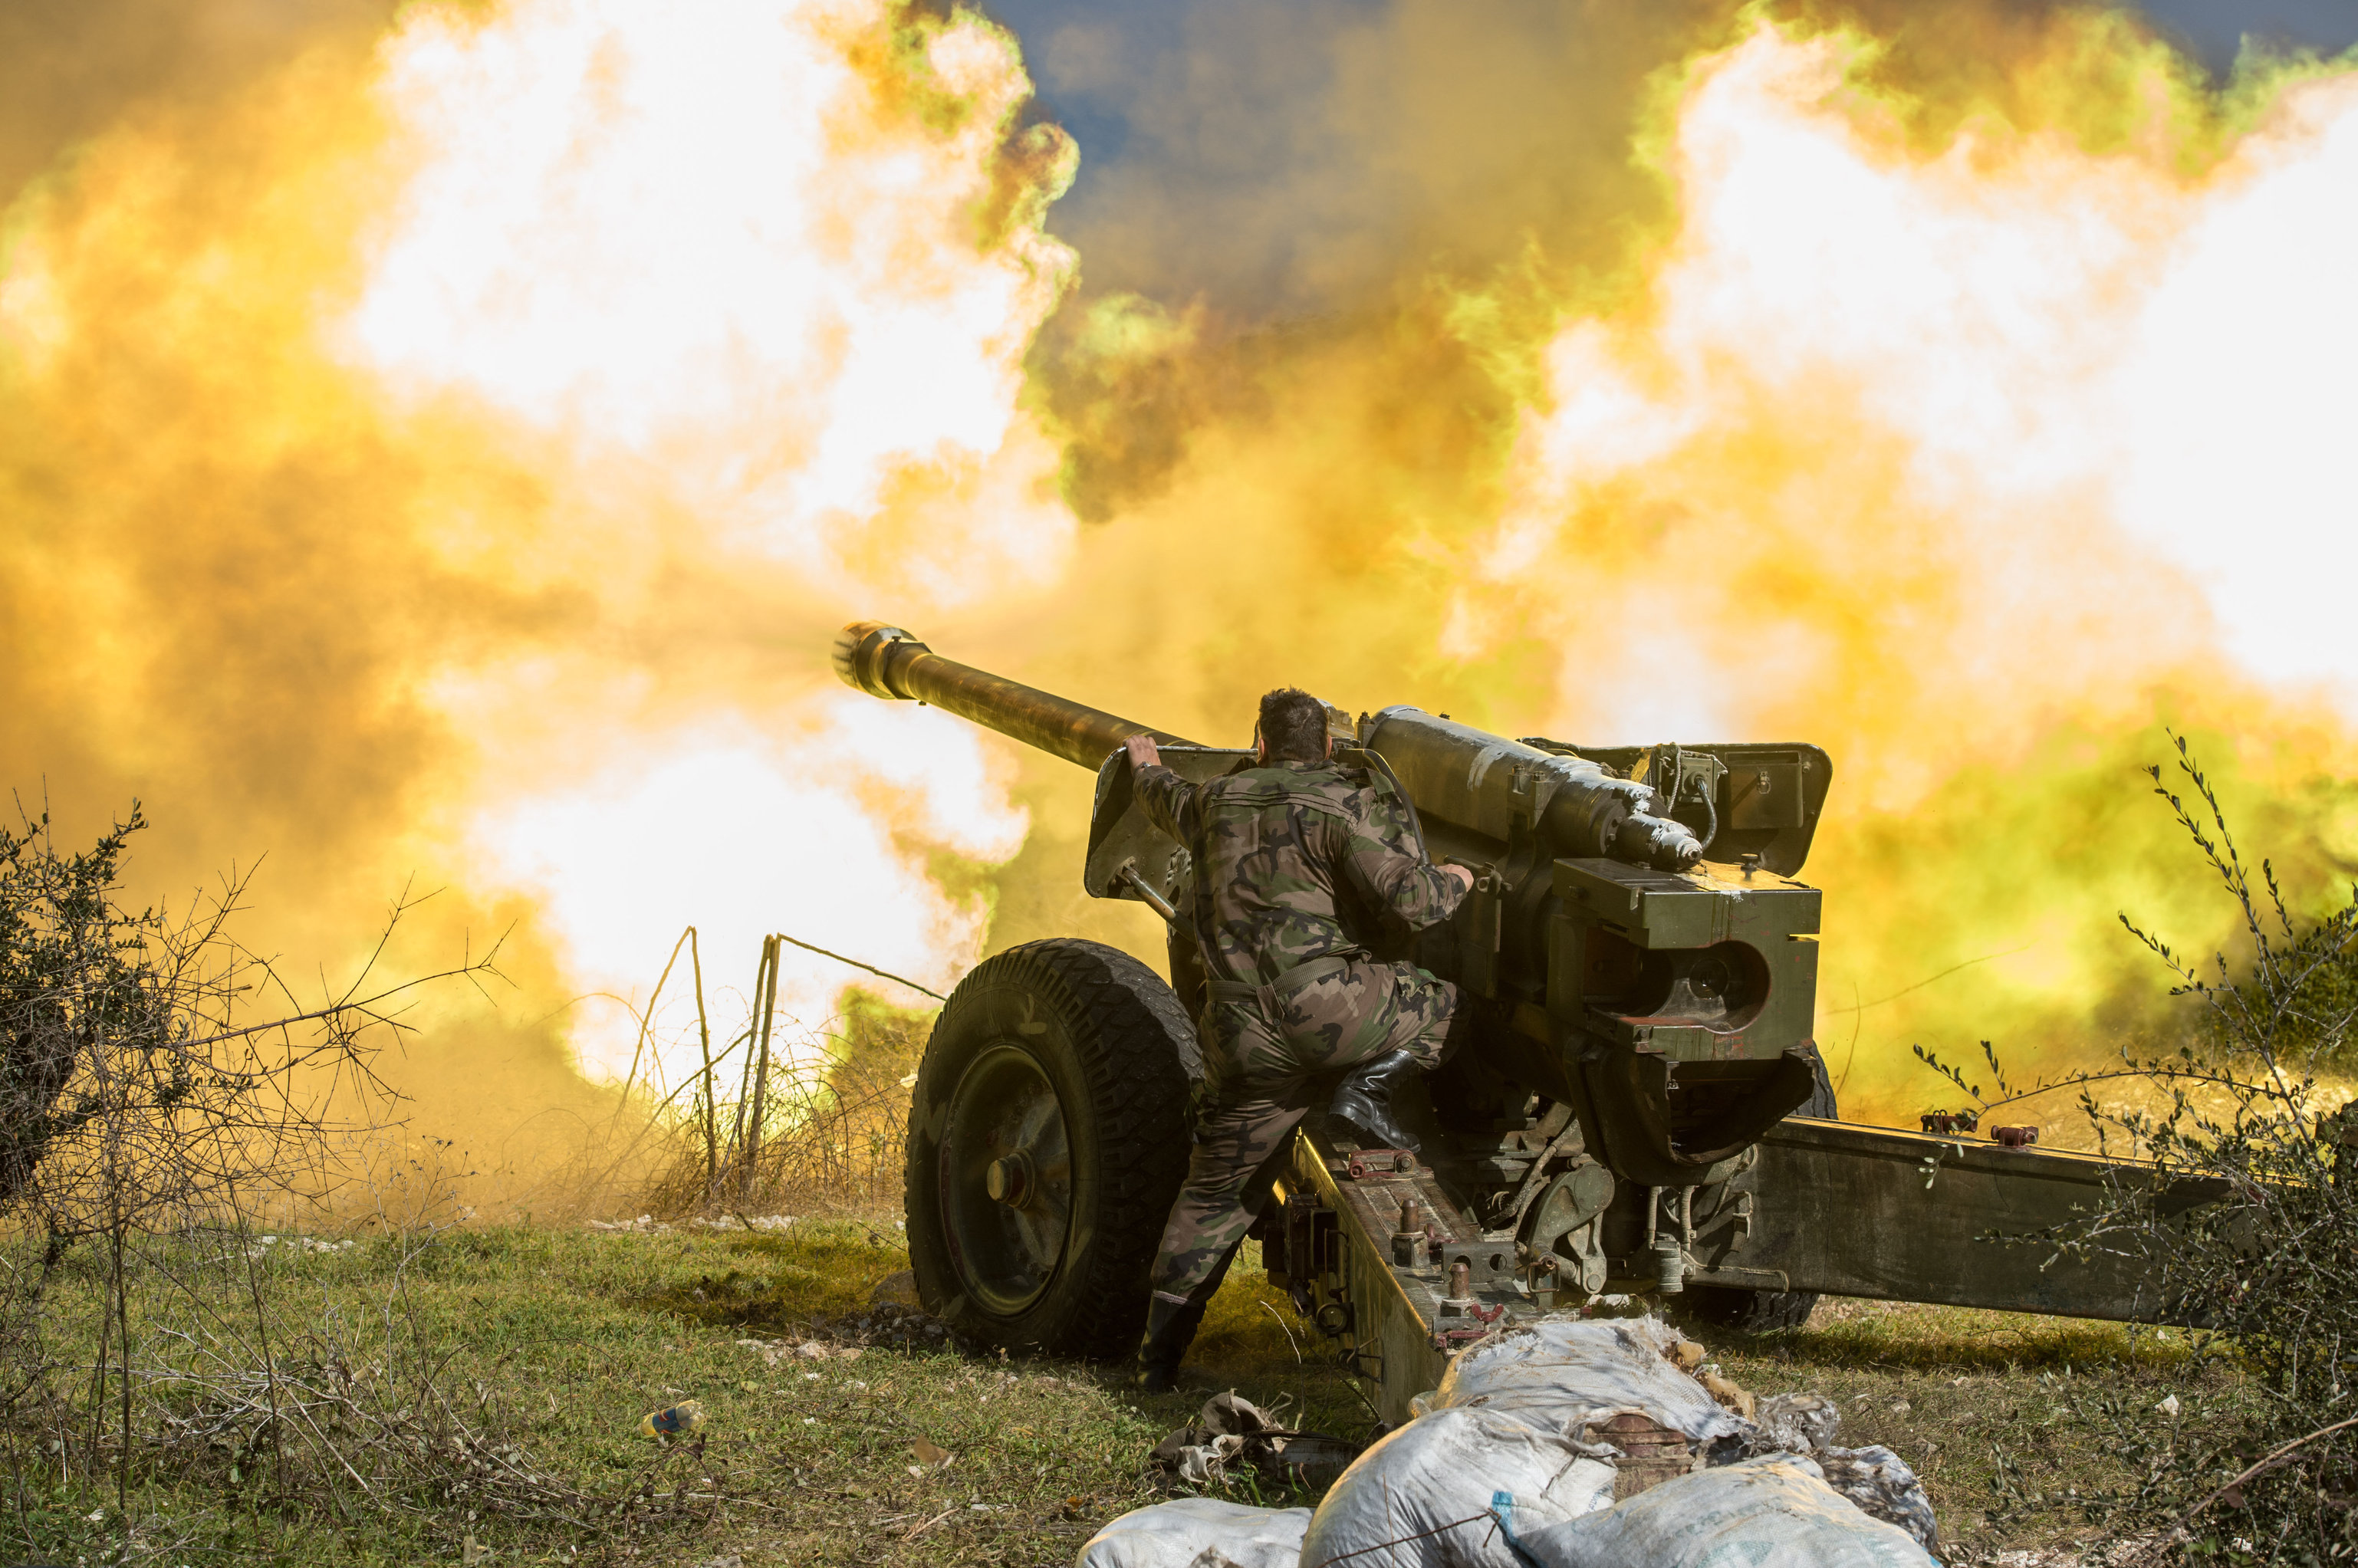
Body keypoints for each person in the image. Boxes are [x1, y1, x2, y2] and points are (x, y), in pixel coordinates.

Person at [1123, 687, 1474, 1392]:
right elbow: (1416, 901)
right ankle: (1364, 1092)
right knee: (1442, 1002)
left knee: (1215, 1193)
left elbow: (1162, 794)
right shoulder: (1339, 804)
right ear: (1325, 747)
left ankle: (1156, 1359)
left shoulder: (1213, 802)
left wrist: (1144, 764)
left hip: (1238, 1034)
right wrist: (1462, 875)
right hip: (1329, 1012)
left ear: (1258, 744)